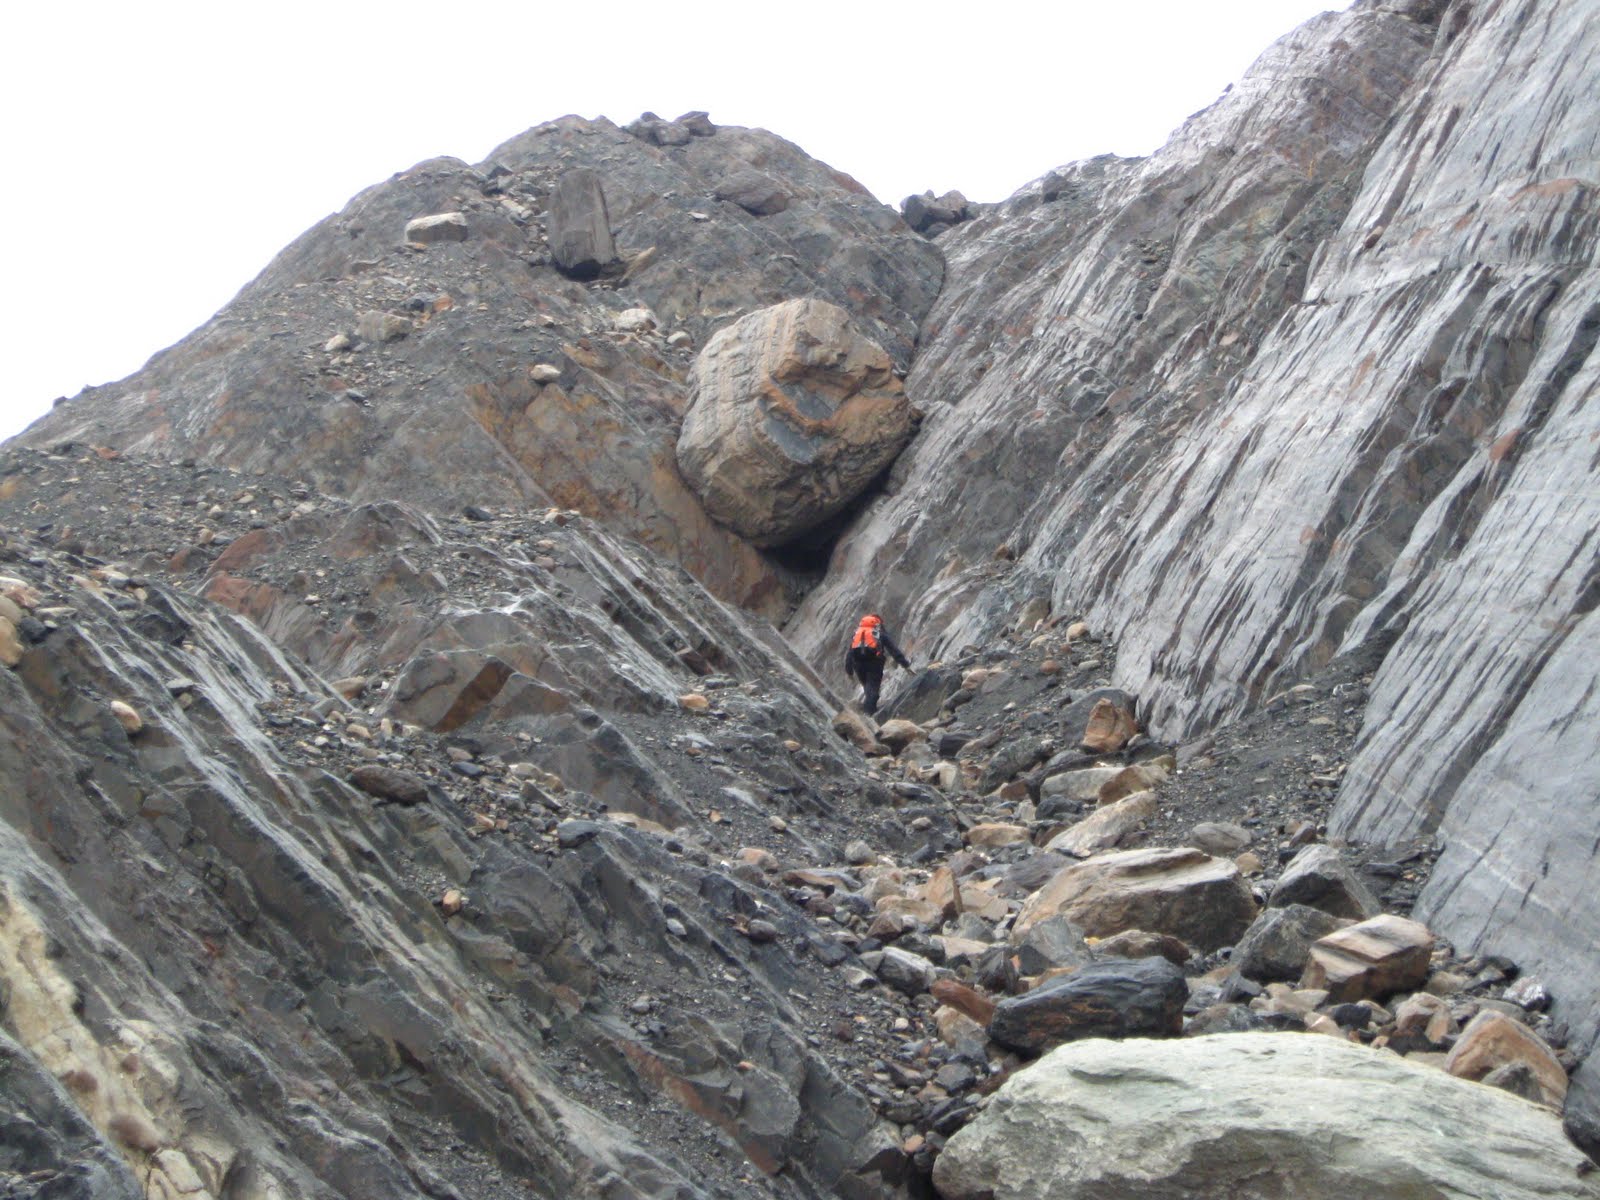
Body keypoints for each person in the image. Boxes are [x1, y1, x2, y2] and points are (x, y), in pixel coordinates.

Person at [843, 613, 911, 716]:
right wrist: (905, 664)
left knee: (867, 687)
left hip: (858, 664)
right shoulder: (880, 634)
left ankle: (870, 711)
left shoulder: (857, 634)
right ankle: (869, 715)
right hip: (874, 663)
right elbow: (893, 650)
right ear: (877, 624)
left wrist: (849, 671)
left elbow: (850, 653)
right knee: (873, 690)